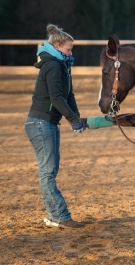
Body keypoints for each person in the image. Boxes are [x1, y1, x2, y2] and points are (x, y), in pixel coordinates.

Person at [24, 24, 87, 229]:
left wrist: (77, 117)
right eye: (68, 49)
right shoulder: (52, 65)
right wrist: (72, 120)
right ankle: (60, 216)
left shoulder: (62, 66)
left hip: (48, 123)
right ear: (58, 46)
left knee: (49, 171)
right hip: (40, 123)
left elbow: (69, 95)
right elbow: (56, 97)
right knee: (48, 173)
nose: (71, 53)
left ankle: (55, 216)